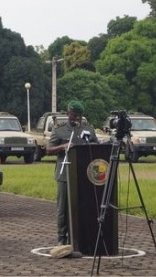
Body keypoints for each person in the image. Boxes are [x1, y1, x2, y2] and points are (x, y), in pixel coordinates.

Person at [46, 100, 99, 248]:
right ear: (67, 114)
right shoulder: (59, 130)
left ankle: (81, 237)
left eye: (78, 116)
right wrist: (63, 146)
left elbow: (97, 146)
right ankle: (62, 238)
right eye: (73, 115)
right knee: (63, 208)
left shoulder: (88, 129)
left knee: (83, 206)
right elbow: (49, 150)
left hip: (84, 175)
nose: (75, 118)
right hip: (65, 175)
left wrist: (92, 146)